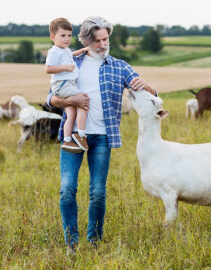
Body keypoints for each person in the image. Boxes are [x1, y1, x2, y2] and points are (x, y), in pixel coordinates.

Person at [46, 16, 157, 255]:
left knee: (97, 192)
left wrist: (147, 85)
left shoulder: (119, 66)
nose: (103, 45)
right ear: (86, 41)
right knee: (67, 189)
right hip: (73, 136)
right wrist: (70, 100)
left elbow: (152, 95)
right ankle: (71, 244)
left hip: (103, 138)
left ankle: (94, 242)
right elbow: (51, 98)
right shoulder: (71, 60)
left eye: (105, 39)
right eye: (97, 41)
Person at [46, 17, 89, 153]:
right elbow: (48, 68)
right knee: (83, 102)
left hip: (66, 84)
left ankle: (67, 140)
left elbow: (71, 55)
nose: (67, 39)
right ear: (53, 37)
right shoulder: (54, 51)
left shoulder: (64, 50)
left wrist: (82, 51)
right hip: (63, 84)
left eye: (69, 35)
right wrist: (65, 67)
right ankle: (81, 135)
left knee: (71, 114)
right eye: (63, 35)